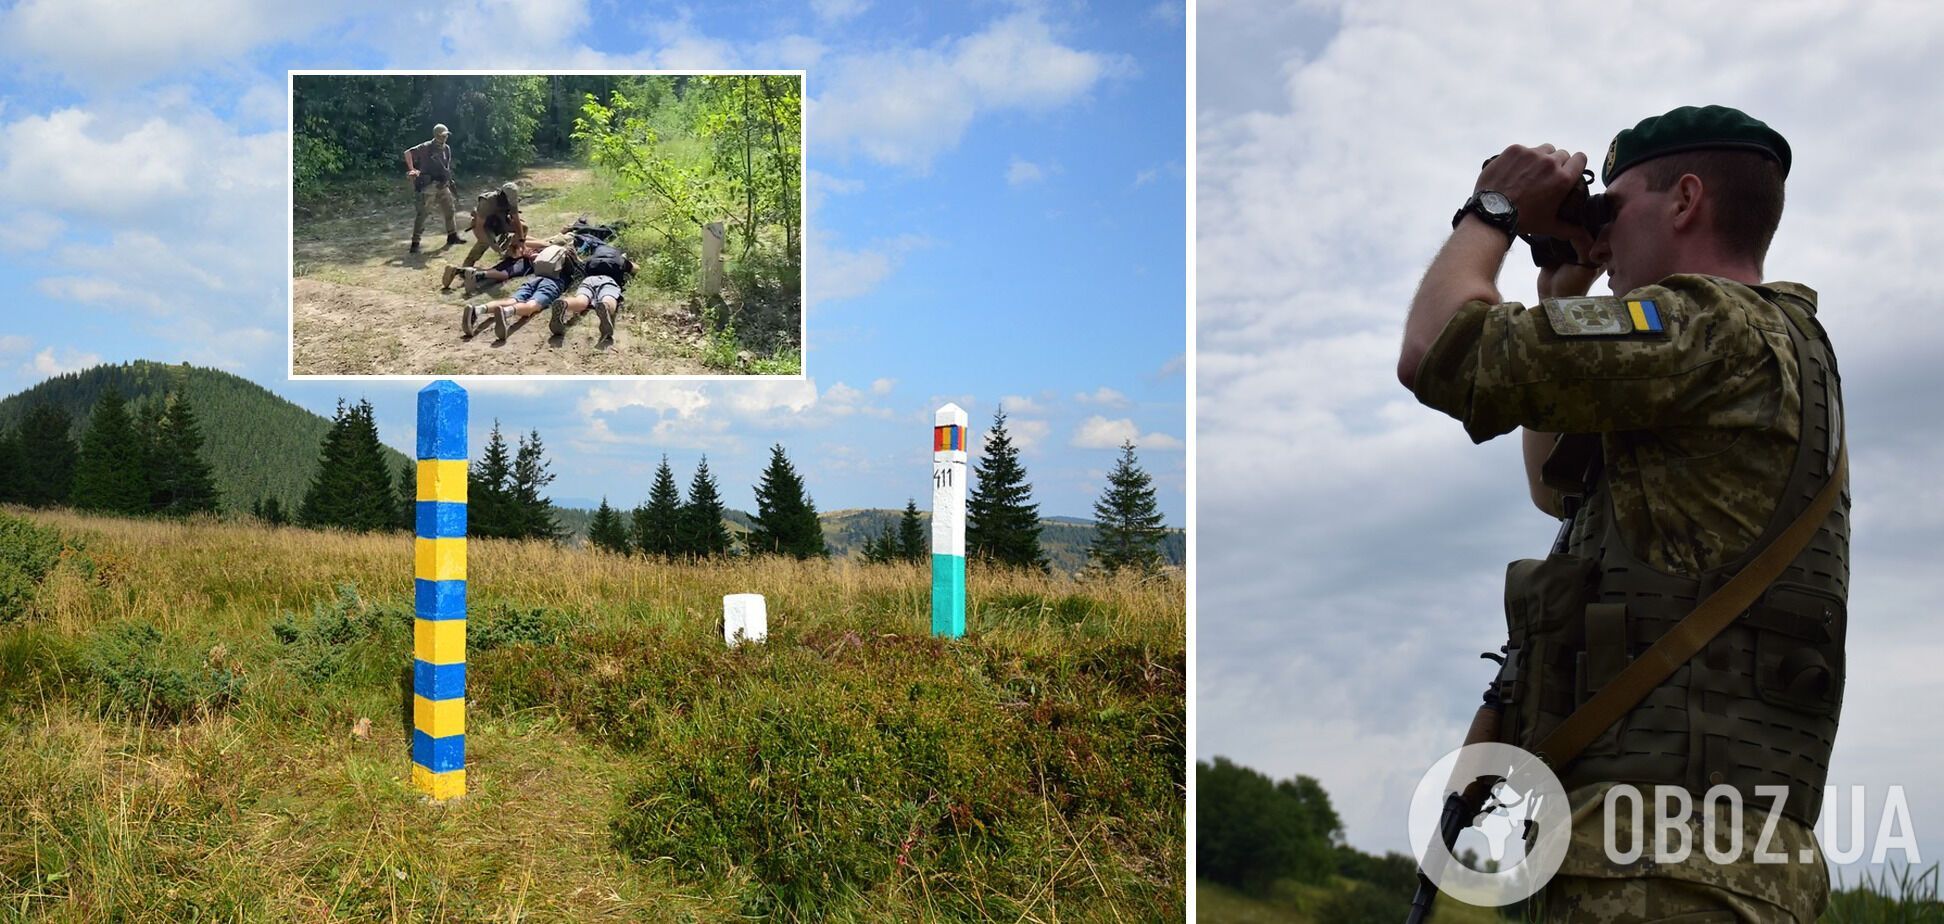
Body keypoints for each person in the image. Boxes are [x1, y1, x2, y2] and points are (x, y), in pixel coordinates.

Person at [1398, 106, 1845, 922]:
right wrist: (1560, 288)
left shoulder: (1711, 326)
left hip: (1660, 868)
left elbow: (1436, 353)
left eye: (1615, 209)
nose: (1600, 241)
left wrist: (1492, 208)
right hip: (1699, 860)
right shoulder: (1756, 350)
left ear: (1684, 200)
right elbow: (1556, 489)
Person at [547, 241, 635, 344]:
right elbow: (635, 269)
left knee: (581, 300)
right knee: (608, 296)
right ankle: (605, 306)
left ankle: (565, 303)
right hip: (609, 280)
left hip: (589, 280)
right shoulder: (620, 259)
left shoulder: (591, 259)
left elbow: (581, 265)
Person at [404, 124, 463, 254]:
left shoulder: (446, 149)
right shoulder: (426, 147)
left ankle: (452, 236)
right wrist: (412, 169)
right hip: (429, 185)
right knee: (423, 214)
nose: (445, 137)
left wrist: (447, 180)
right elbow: (408, 153)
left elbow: (446, 167)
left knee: (450, 209)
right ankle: (415, 243)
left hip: (442, 184)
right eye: (443, 135)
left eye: (446, 135)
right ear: (437, 135)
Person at [442, 237, 543, 295]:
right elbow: (523, 240)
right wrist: (530, 252)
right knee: (504, 274)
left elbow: (524, 240)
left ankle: (458, 271)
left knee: (494, 271)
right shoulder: (551, 245)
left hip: (519, 257)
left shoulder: (549, 243)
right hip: (527, 262)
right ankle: (475, 275)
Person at [461, 182, 526, 268]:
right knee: (484, 242)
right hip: (486, 226)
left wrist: (521, 241)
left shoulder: (512, 202)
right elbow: (479, 226)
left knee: (524, 228)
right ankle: (467, 265)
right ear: (502, 194)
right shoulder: (487, 202)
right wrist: (491, 242)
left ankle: (510, 254)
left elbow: (517, 221)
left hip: (500, 222)